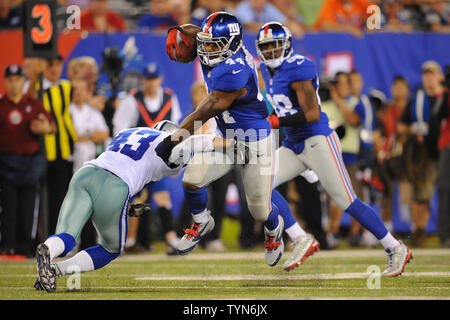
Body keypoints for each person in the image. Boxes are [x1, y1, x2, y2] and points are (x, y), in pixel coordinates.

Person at [255, 21, 412, 276]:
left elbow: (313, 114)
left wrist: (275, 121)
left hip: (317, 141)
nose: (271, 51)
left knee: (346, 201)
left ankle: (395, 247)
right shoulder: (266, 69)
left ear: (286, 46)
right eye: (266, 47)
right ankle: (301, 238)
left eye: (275, 45)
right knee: (259, 184)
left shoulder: (299, 67)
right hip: (293, 143)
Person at [163, 12, 312, 269]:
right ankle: (201, 221)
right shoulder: (220, 45)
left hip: (255, 142)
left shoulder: (234, 71)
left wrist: (174, 139)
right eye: (206, 43)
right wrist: (180, 30)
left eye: (213, 45)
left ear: (230, 44)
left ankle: (273, 229)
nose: (207, 49)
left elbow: (204, 113)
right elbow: (197, 32)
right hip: (228, 139)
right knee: (192, 180)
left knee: (260, 210)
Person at [34, 120, 236, 292]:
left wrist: (126, 208)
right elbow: (196, 141)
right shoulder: (167, 145)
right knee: (110, 249)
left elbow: (118, 165)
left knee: (66, 237)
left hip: (86, 174)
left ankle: (47, 250)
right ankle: (55, 271)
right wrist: (232, 143)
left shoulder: (129, 132)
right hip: (115, 185)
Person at [113, 62, 182, 255]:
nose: (151, 83)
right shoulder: (132, 99)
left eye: (154, 79)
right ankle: (128, 242)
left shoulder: (169, 98)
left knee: (162, 197)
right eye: (148, 79)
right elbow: (120, 128)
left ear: (159, 79)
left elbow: (176, 129)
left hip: (159, 158)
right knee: (133, 199)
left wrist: (176, 159)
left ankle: (171, 240)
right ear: (143, 81)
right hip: (137, 158)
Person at [0, 65, 55, 257]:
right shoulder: (1, 105)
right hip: (6, 165)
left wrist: (45, 127)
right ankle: (7, 246)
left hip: (30, 165)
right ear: (5, 82)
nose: (14, 84)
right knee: (8, 208)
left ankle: (25, 247)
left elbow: (51, 126)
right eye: (10, 80)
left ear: (23, 82)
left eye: (17, 80)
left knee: (28, 208)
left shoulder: (33, 104)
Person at [397, 60, 448, 247]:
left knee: (436, 192)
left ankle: (429, 230)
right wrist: (414, 130)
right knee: (420, 194)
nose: (429, 78)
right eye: (425, 74)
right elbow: (401, 126)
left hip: (443, 150)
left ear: (440, 76)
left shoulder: (446, 97)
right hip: (421, 154)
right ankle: (419, 229)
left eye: (432, 73)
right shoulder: (416, 100)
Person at [234, 0, 303, 37]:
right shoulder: (243, 6)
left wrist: (292, 25)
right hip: (244, 43)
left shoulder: (267, 7)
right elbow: (249, 26)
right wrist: (273, 29)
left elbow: (284, 21)